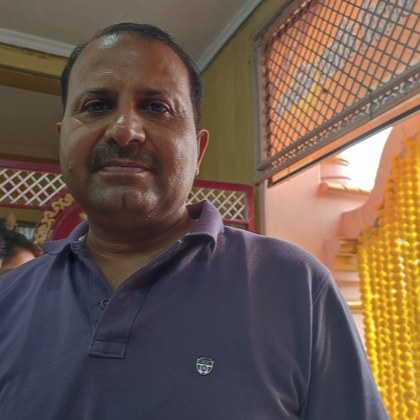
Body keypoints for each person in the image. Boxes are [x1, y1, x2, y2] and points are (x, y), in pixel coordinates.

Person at [0, 23, 389, 419]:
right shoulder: (8, 298)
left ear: (198, 150)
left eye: (156, 107)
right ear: (63, 139)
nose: (125, 131)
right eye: (97, 105)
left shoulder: (295, 284)